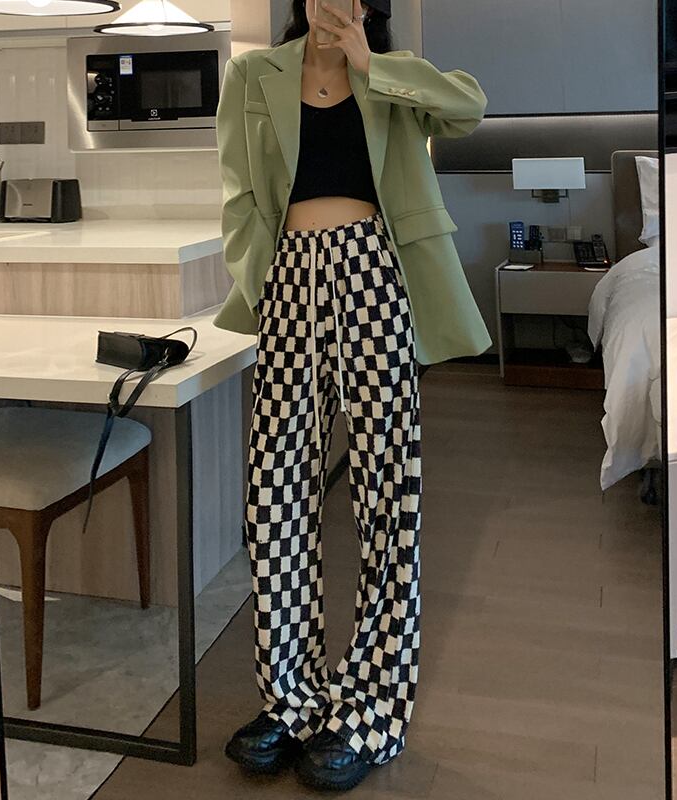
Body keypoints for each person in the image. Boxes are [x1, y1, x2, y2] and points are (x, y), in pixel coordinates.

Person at [215, 0, 490, 791]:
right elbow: (239, 194)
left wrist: (372, 63)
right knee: (276, 492)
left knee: (386, 494)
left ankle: (370, 707)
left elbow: (469, 108)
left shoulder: (392, 75)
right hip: (288, 278)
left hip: (375, 273)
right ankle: (291, 699)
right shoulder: (253, 74)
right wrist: (264, 282)